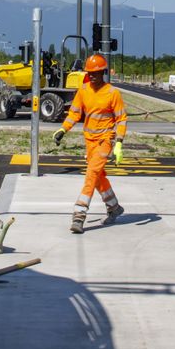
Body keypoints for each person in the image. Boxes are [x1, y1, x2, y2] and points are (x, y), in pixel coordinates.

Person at [53, 53, 127, 234]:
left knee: (91, 173)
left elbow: (121, 119)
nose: (92, 76)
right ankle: (114, 207)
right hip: (90, 141)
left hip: (105, 140)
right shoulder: (83, 91)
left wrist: (118, 142)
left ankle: (79, 214)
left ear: (103, 72)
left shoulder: (112, 93)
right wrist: (63, 129)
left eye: (95, 73)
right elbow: (74, 113)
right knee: (98, 176)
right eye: (89, 73)